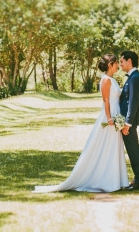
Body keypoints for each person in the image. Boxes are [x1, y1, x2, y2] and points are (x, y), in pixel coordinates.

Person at [33, 54, 129, 193]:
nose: (118, 66)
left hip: (116, 115)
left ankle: (114, 179)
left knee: (113, 147)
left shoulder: (113, 80)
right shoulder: (106, 80)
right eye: (115, 63)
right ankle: (104, 180)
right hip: (109, 117)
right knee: (106, 146)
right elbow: (106, 100)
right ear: (110, 65)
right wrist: (109, 118)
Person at [119, 50, 139, 190]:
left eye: (122, 61)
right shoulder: (132, 77)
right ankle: (138, 180)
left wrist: (127, 123)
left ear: (129, 61)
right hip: (126, 122)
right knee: (132, 150)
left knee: (134, 150)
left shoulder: (135, 78)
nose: (120, 64)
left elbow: (133, 102)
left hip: (128, 123)